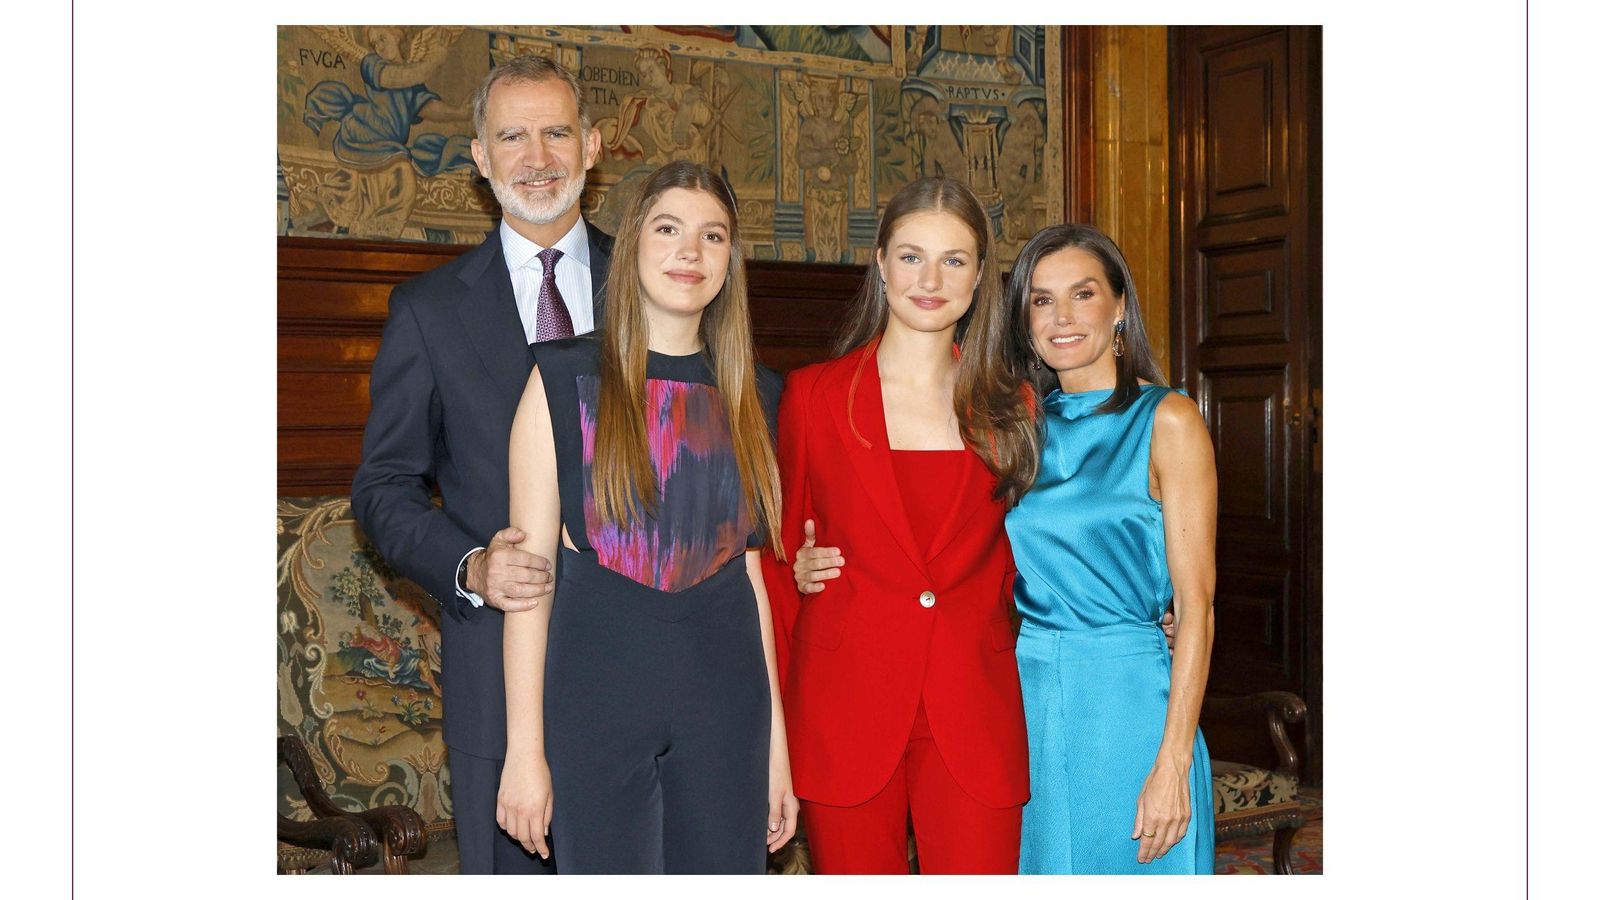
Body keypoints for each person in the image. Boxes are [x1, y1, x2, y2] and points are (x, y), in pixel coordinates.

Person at [497, 161, 798, 874]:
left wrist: (777, 752)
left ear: (731, 259)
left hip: (726, 699)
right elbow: (529, 581)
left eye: (712, 235)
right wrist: (523, 751)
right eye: (668, 229)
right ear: (633, 244)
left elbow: (753, 578)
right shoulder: (562, 378)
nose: (689, 252)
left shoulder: (757, 394)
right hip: (596, 693)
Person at [350, 54, 611, 874]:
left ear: (593, 146)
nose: (537, 157)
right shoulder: (427, 311)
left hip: (652, 666)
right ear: (480, 157)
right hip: (497, 683)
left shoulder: (660, 276)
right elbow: (383, 488)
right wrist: (468, 565)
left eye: (556, 132)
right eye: (512, 136)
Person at [760, 177, 1036, 873]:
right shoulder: (814, 396)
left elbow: (1043, 547)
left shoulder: (1016, 404)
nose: (931, 279)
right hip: (843, 712)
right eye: (912, 257)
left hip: (973, 714)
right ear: (880, 264)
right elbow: (777, 562)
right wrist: (778, 743)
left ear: (980, 278)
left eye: (954, 260)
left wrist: (1149, 605)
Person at [1003, 223, 1217, 874]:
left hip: (1129, 705)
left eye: (1082, 294)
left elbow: (1198, 609)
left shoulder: (1167, 420)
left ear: (1120, 306)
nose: (1061, 317)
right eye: (1041, 300)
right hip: (1026, 702)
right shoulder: (1014, 430)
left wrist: (1173, 763)